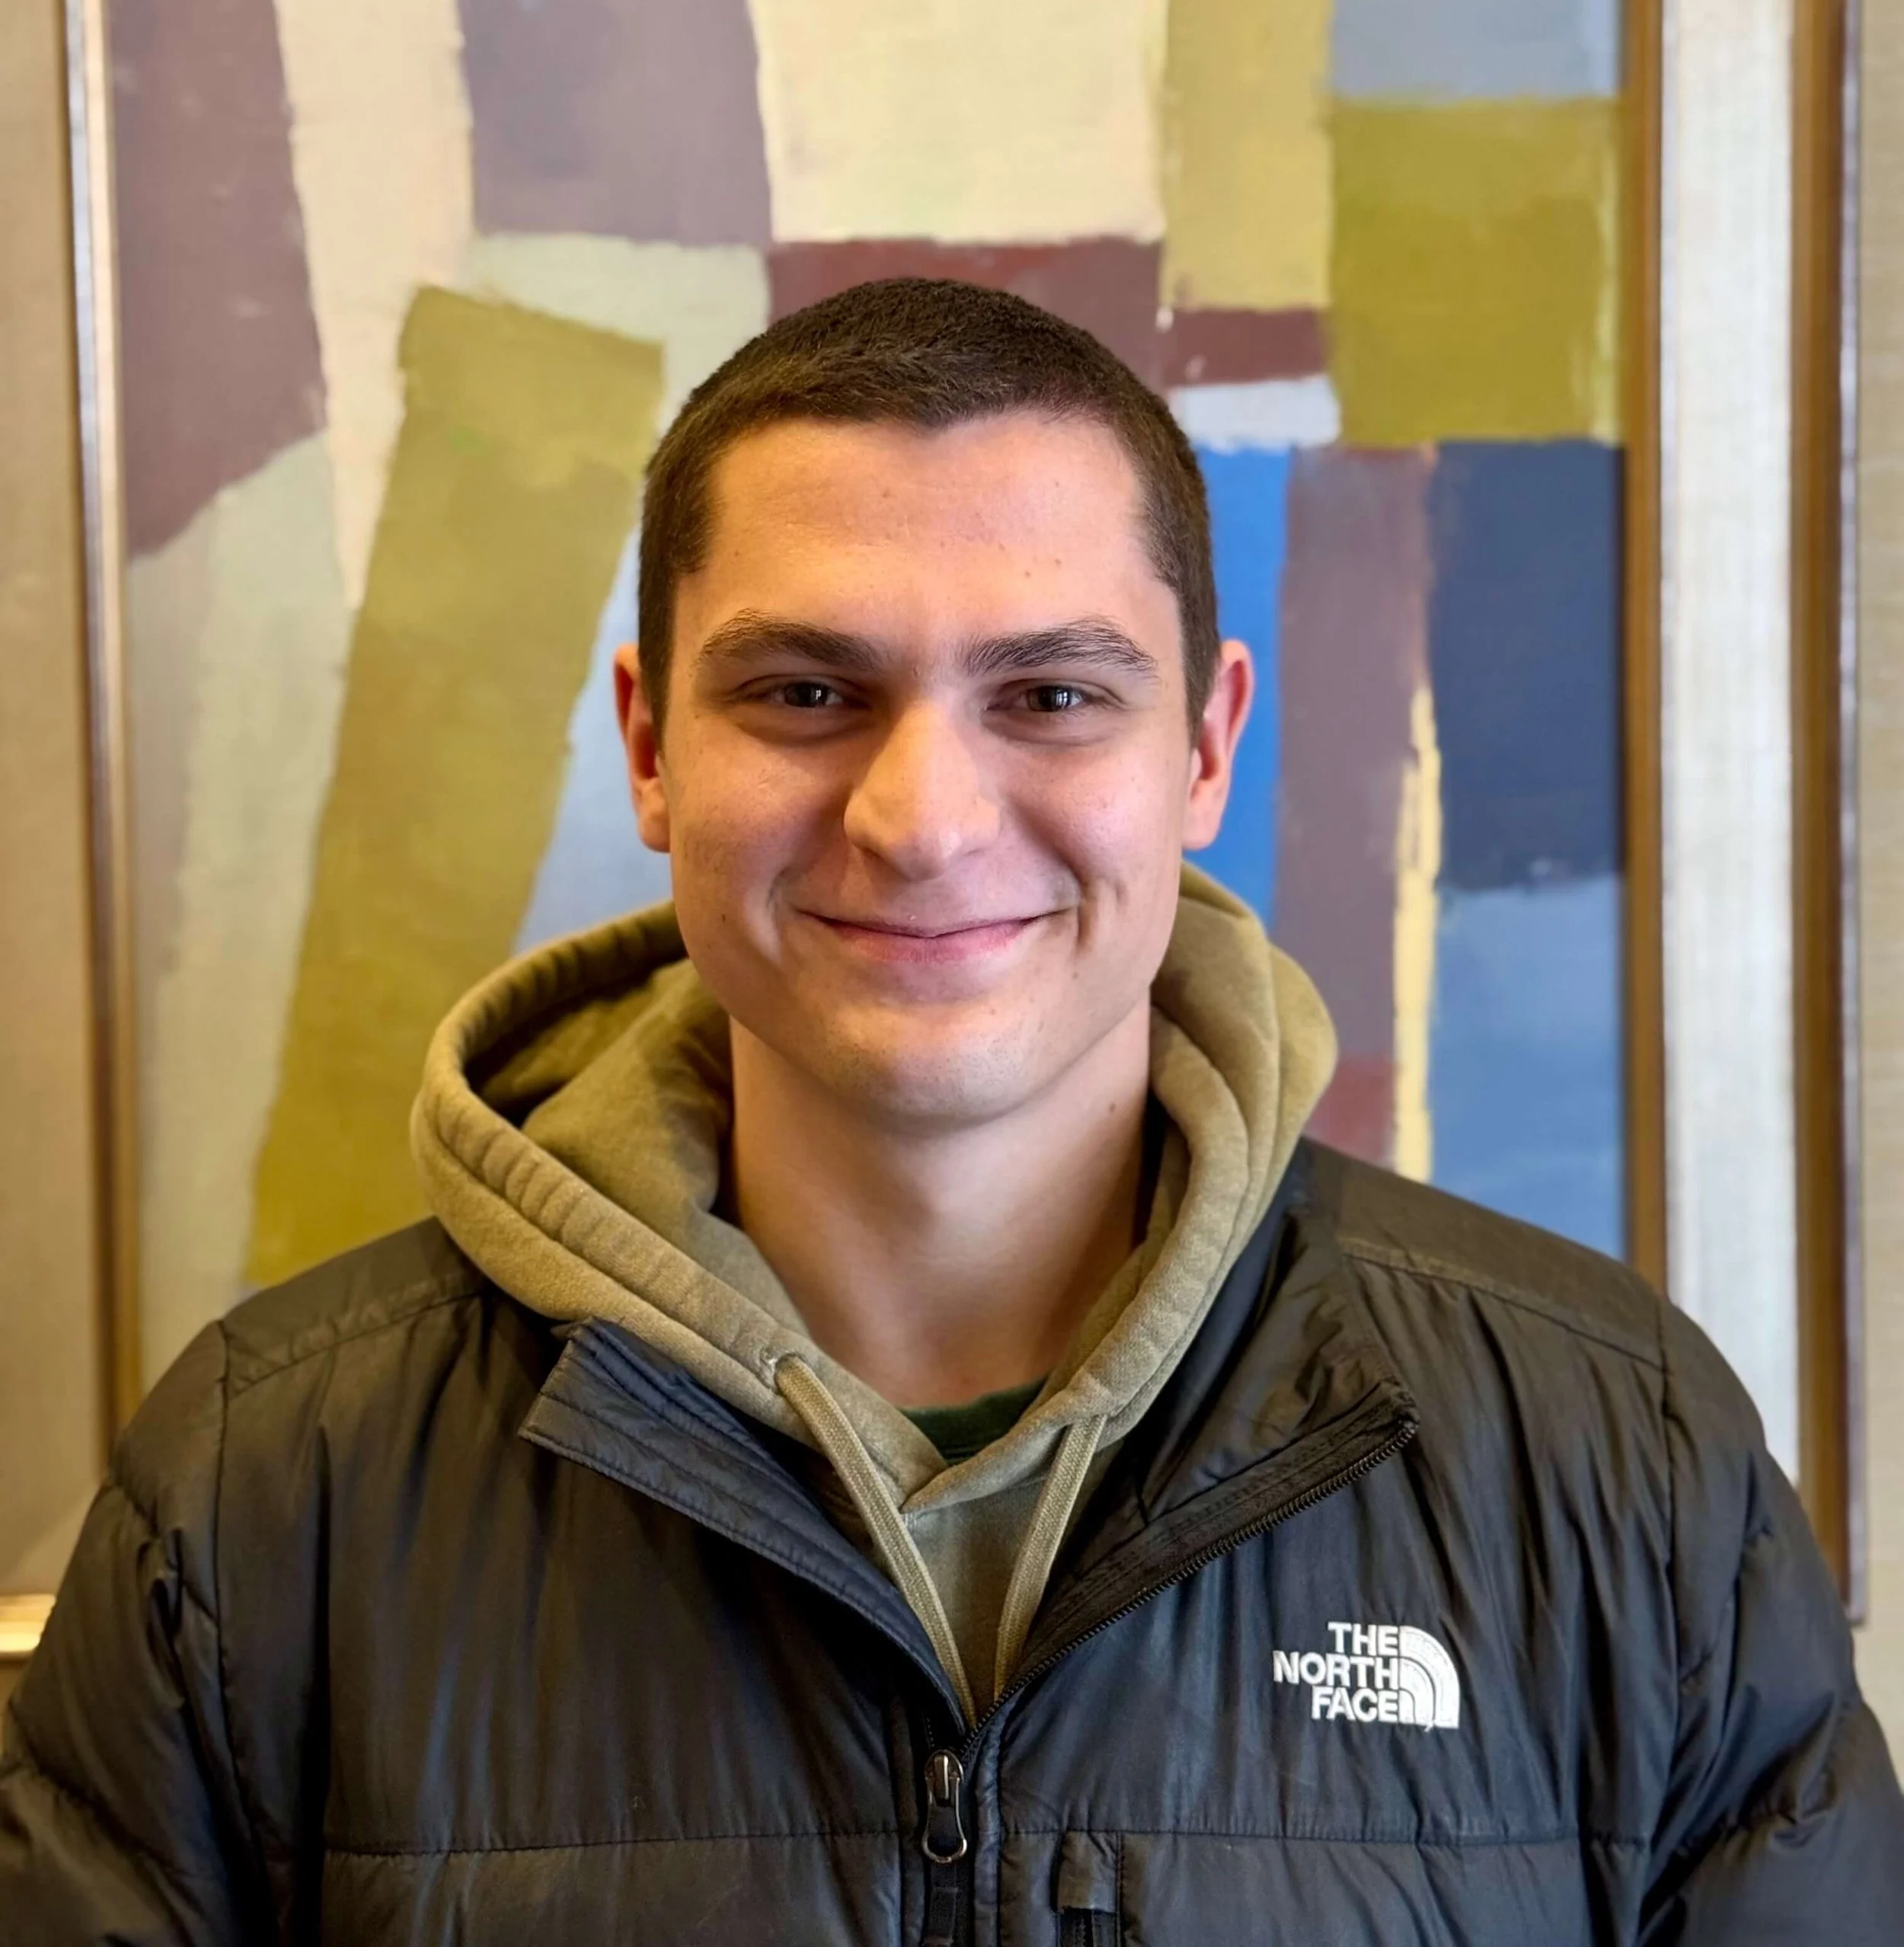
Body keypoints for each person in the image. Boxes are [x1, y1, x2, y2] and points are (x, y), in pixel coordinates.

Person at [2, 277, 1899, 1943]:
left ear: (1205, 742)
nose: (920, 819)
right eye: (805, 691)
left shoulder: (1616, 1461)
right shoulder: (261, 1493)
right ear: (650, 746)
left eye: (1051, 695)